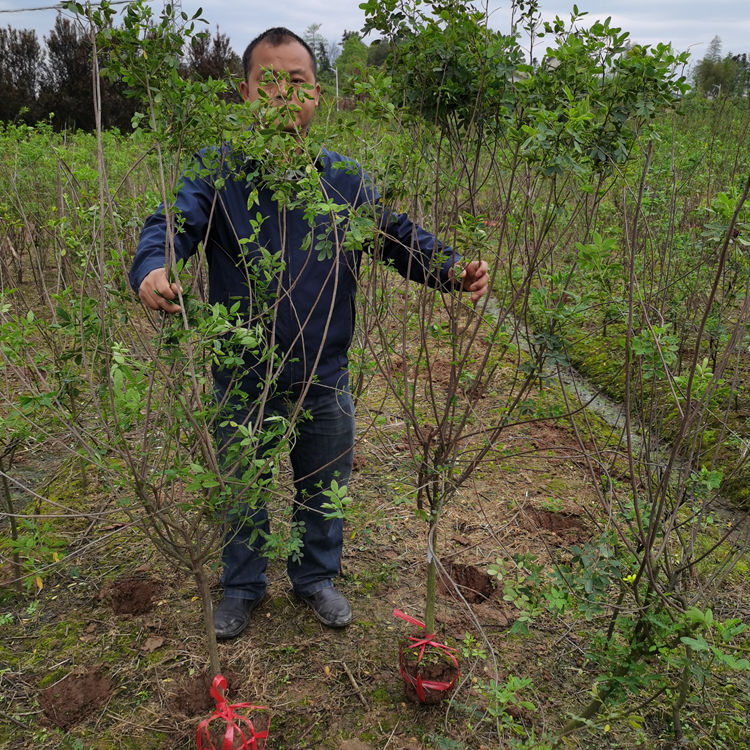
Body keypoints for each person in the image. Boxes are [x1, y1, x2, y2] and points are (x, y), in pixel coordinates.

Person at [129, 27, 488, 639]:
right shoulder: (216, 172)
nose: (282, 95)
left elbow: (395, 237)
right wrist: (152, 266)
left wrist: (452, 269)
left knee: (324, 487)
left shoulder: (343, 180)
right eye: (267, 83)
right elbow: (170, 223)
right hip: (243, 376)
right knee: (243, 489)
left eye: (296, 83)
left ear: (316, 95)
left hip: (324, 370)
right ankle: (241, 586)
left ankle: (314, 579)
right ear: (245, 94)